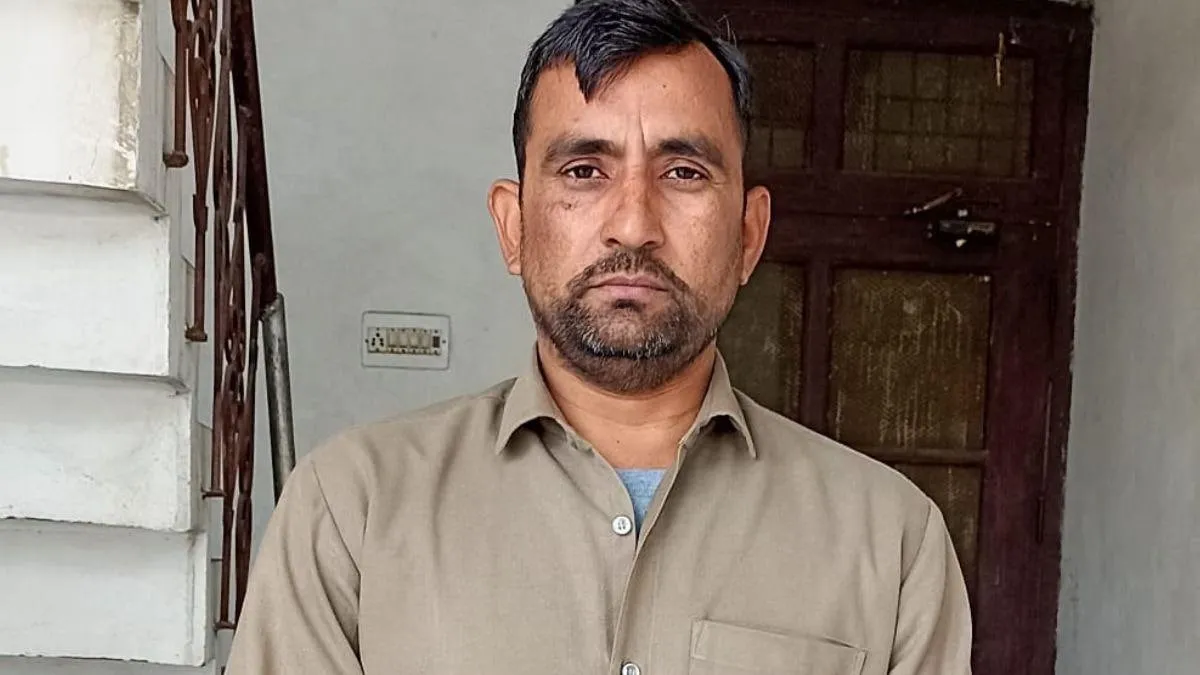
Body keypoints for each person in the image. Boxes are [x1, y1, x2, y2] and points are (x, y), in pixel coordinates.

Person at [225, 1, 972, 673]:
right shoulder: (351, 511)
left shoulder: (891, 543)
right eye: (584, 170)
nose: (634, 224)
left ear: (749, 235)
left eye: (684, 172)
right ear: (513, 227)